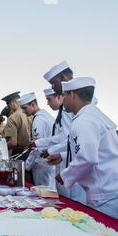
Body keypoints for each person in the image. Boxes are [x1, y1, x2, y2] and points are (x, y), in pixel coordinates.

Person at [48, 77, 118, 222]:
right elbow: (96, 151)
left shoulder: (84, 120)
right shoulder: (94, 115)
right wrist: (63, 156)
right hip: (116, 190)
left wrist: (65, 175)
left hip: (107, 196)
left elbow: (88, 158)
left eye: (64, 95)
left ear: (72, 95)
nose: (63, 100)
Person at [31, 61, 86, 203]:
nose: (53, 88)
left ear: (62, 78)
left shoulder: (78, 105)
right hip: (67, 164)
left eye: (53, 83)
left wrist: (46, 148)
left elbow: (70, 139)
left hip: (75, 171)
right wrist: (55, 152)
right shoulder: (68, 106)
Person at [17, 92, 55, 189]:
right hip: (49, 162)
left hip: (42, 164)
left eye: (25, 108)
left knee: (43, 193)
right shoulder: (46, 116)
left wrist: (26, 166)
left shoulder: (39, 120)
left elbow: (37, 147)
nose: (23, 111)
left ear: (33, 104)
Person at [0, 91, 32, 157]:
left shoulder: (12, 118)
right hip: (30, 152)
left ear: (12, 103)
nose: (10, 108)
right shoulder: (30, 115)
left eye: (9, 105)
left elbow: (13, 142)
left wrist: (0, 149)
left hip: (19, 154)